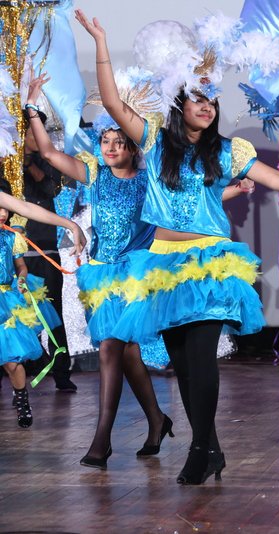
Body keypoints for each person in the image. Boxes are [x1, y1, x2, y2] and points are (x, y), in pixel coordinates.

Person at [76, 10, 279, 485]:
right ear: (180, 102)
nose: (208, 106)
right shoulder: (153, 141)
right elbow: (111, 100)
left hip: (210, 266)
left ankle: (199, 450)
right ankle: (210, 447)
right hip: (162, 266)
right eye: (199, 98)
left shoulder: (228, 150)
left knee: (201, 360)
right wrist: (101, 42)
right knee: (182, 366)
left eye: (213, 100)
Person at [23, 73, 240, 468]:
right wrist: (33, 111)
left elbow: (189, 198)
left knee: (111, 348)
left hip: (137, 277)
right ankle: (157, 419)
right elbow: (50, 154)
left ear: (133, 148)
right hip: (102, 276)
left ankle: (101, 440)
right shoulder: (94, 175)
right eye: (106, 141)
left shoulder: (147, 181)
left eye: (119, 142)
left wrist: (231, 191)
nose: (110, 147)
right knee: (126, 355)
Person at [0, 178, 85, 428]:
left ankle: (21, 398)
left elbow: (27, 209)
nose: (4, 212)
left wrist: (70, 224)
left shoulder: (10, 237)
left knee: (12, 359)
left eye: (5, 207)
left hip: (4, 298)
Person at [21, 109, 75, 391]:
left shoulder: (50, 158)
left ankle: (62, 373)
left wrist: (30, 163)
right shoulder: (7, 164)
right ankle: (34, 363)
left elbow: (52, 189)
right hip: (17, 251)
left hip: (45, 249)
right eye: (33, 130)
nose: (39, 135)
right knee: (18, 314)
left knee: (54, 313)